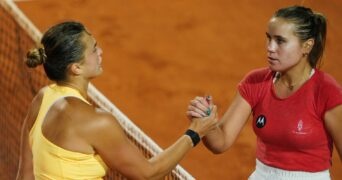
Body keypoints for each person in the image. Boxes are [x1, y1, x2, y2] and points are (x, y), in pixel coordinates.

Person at [16, 21, 218, 180]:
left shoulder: (42, 98)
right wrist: (195, 132)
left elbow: (25, 175)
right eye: (94, 49)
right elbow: (148, 174)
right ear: (76, 68)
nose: (101, 52)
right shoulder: (96, 122)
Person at [187, 5, 342, 180]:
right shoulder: (256, 82)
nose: (270, 47)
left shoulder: (326, 91)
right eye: (269, 38)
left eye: (280, 41)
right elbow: (221, 141)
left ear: (307, 46)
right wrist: (207, 122)